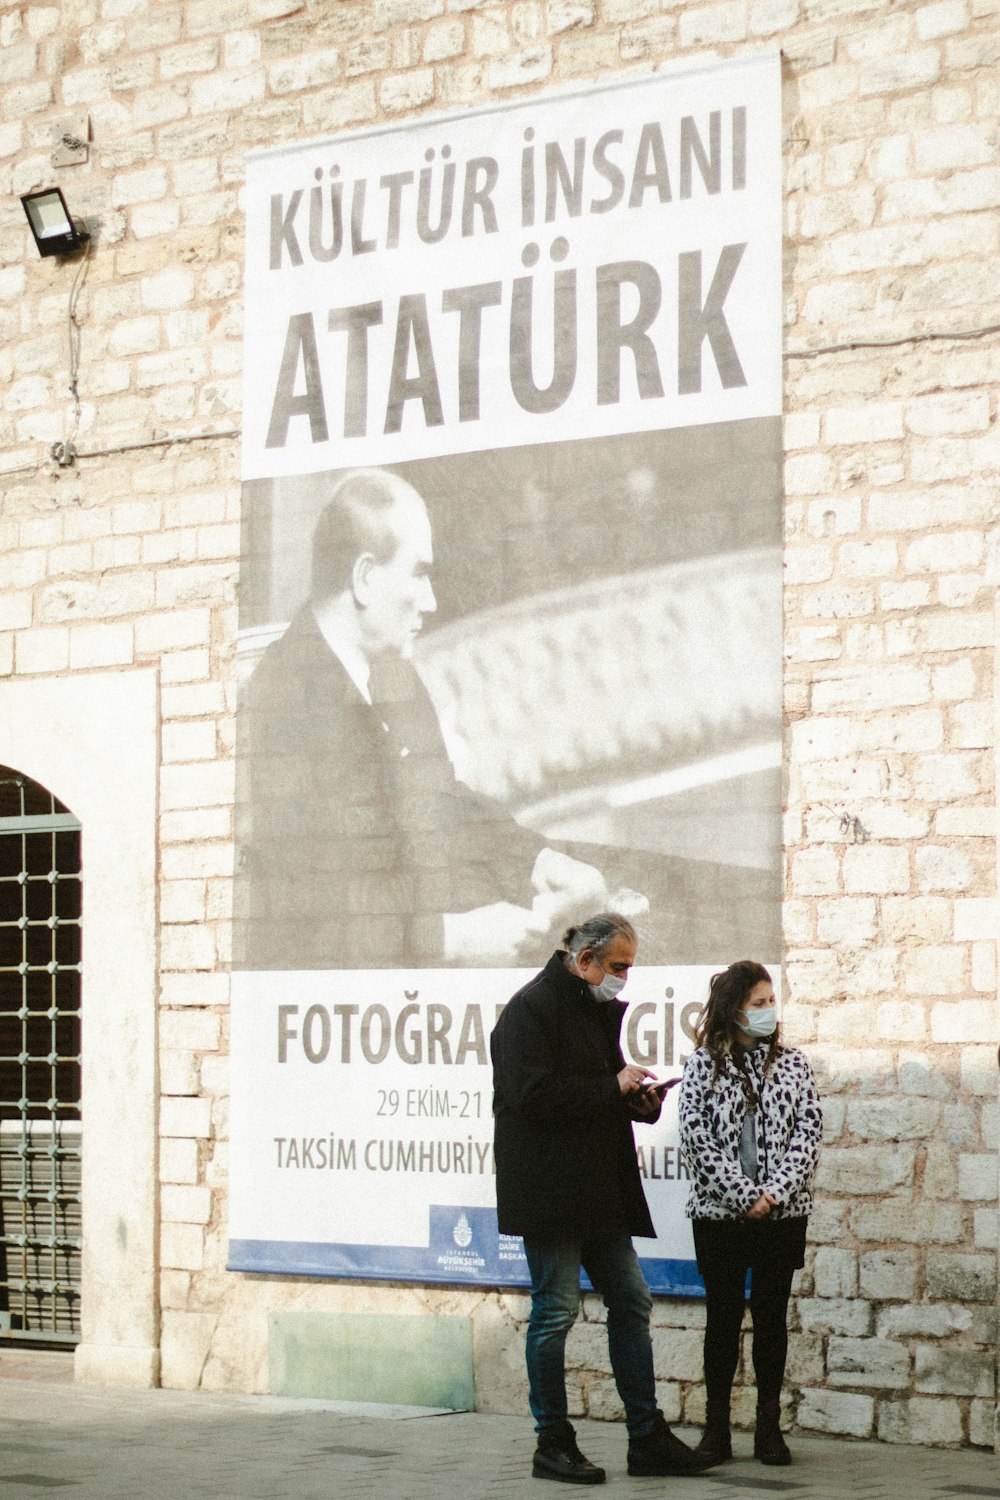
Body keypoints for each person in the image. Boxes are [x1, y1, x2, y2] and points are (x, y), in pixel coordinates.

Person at [239, 467, 609, 969]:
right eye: (418, 572)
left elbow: (440, 799)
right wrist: (447, 939)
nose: (431, 600)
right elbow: (302, 903)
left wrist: (539, 861)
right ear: (365, 578)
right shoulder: (282, 699)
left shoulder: (393, 674)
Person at [490, 912, 718, 1484]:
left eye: (629, 967)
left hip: (598, 1187)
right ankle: (553, 1442)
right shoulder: (531, 1008)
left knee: (632, 1298)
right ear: (584, 959)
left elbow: (596, 1091)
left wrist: (636, 1100)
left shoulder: (593, 1009)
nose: (623, 978)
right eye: (618, 966)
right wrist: (609, 1087)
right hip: (550, 1189)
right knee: (556, 1311)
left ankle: (646, 1436)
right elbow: (529, 1096)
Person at [678, 960, 822, 1467]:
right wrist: (743, 1195)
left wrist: (775, 1193)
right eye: (757, 1003)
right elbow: (697, 1137)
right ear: (734, 1010)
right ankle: (716, 1430)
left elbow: (808, 1134)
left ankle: (768, 1428)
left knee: (771, 1317)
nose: (768, 1011)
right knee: (721, 1318)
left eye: (770, 1002)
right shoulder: (701, 1065)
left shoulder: (794, 1065)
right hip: (720, 1215)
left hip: (782, 1216)